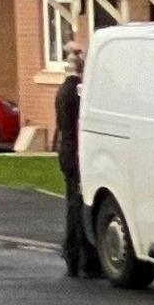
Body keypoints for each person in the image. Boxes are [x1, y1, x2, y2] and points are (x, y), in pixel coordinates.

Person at [55, 67, 97, 278]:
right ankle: (82, 257)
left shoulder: (64, 90)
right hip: (75, 155)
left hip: (67, 152)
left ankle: (75, 256)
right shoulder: (75, 93)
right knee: (78, 205)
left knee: (74, 204)